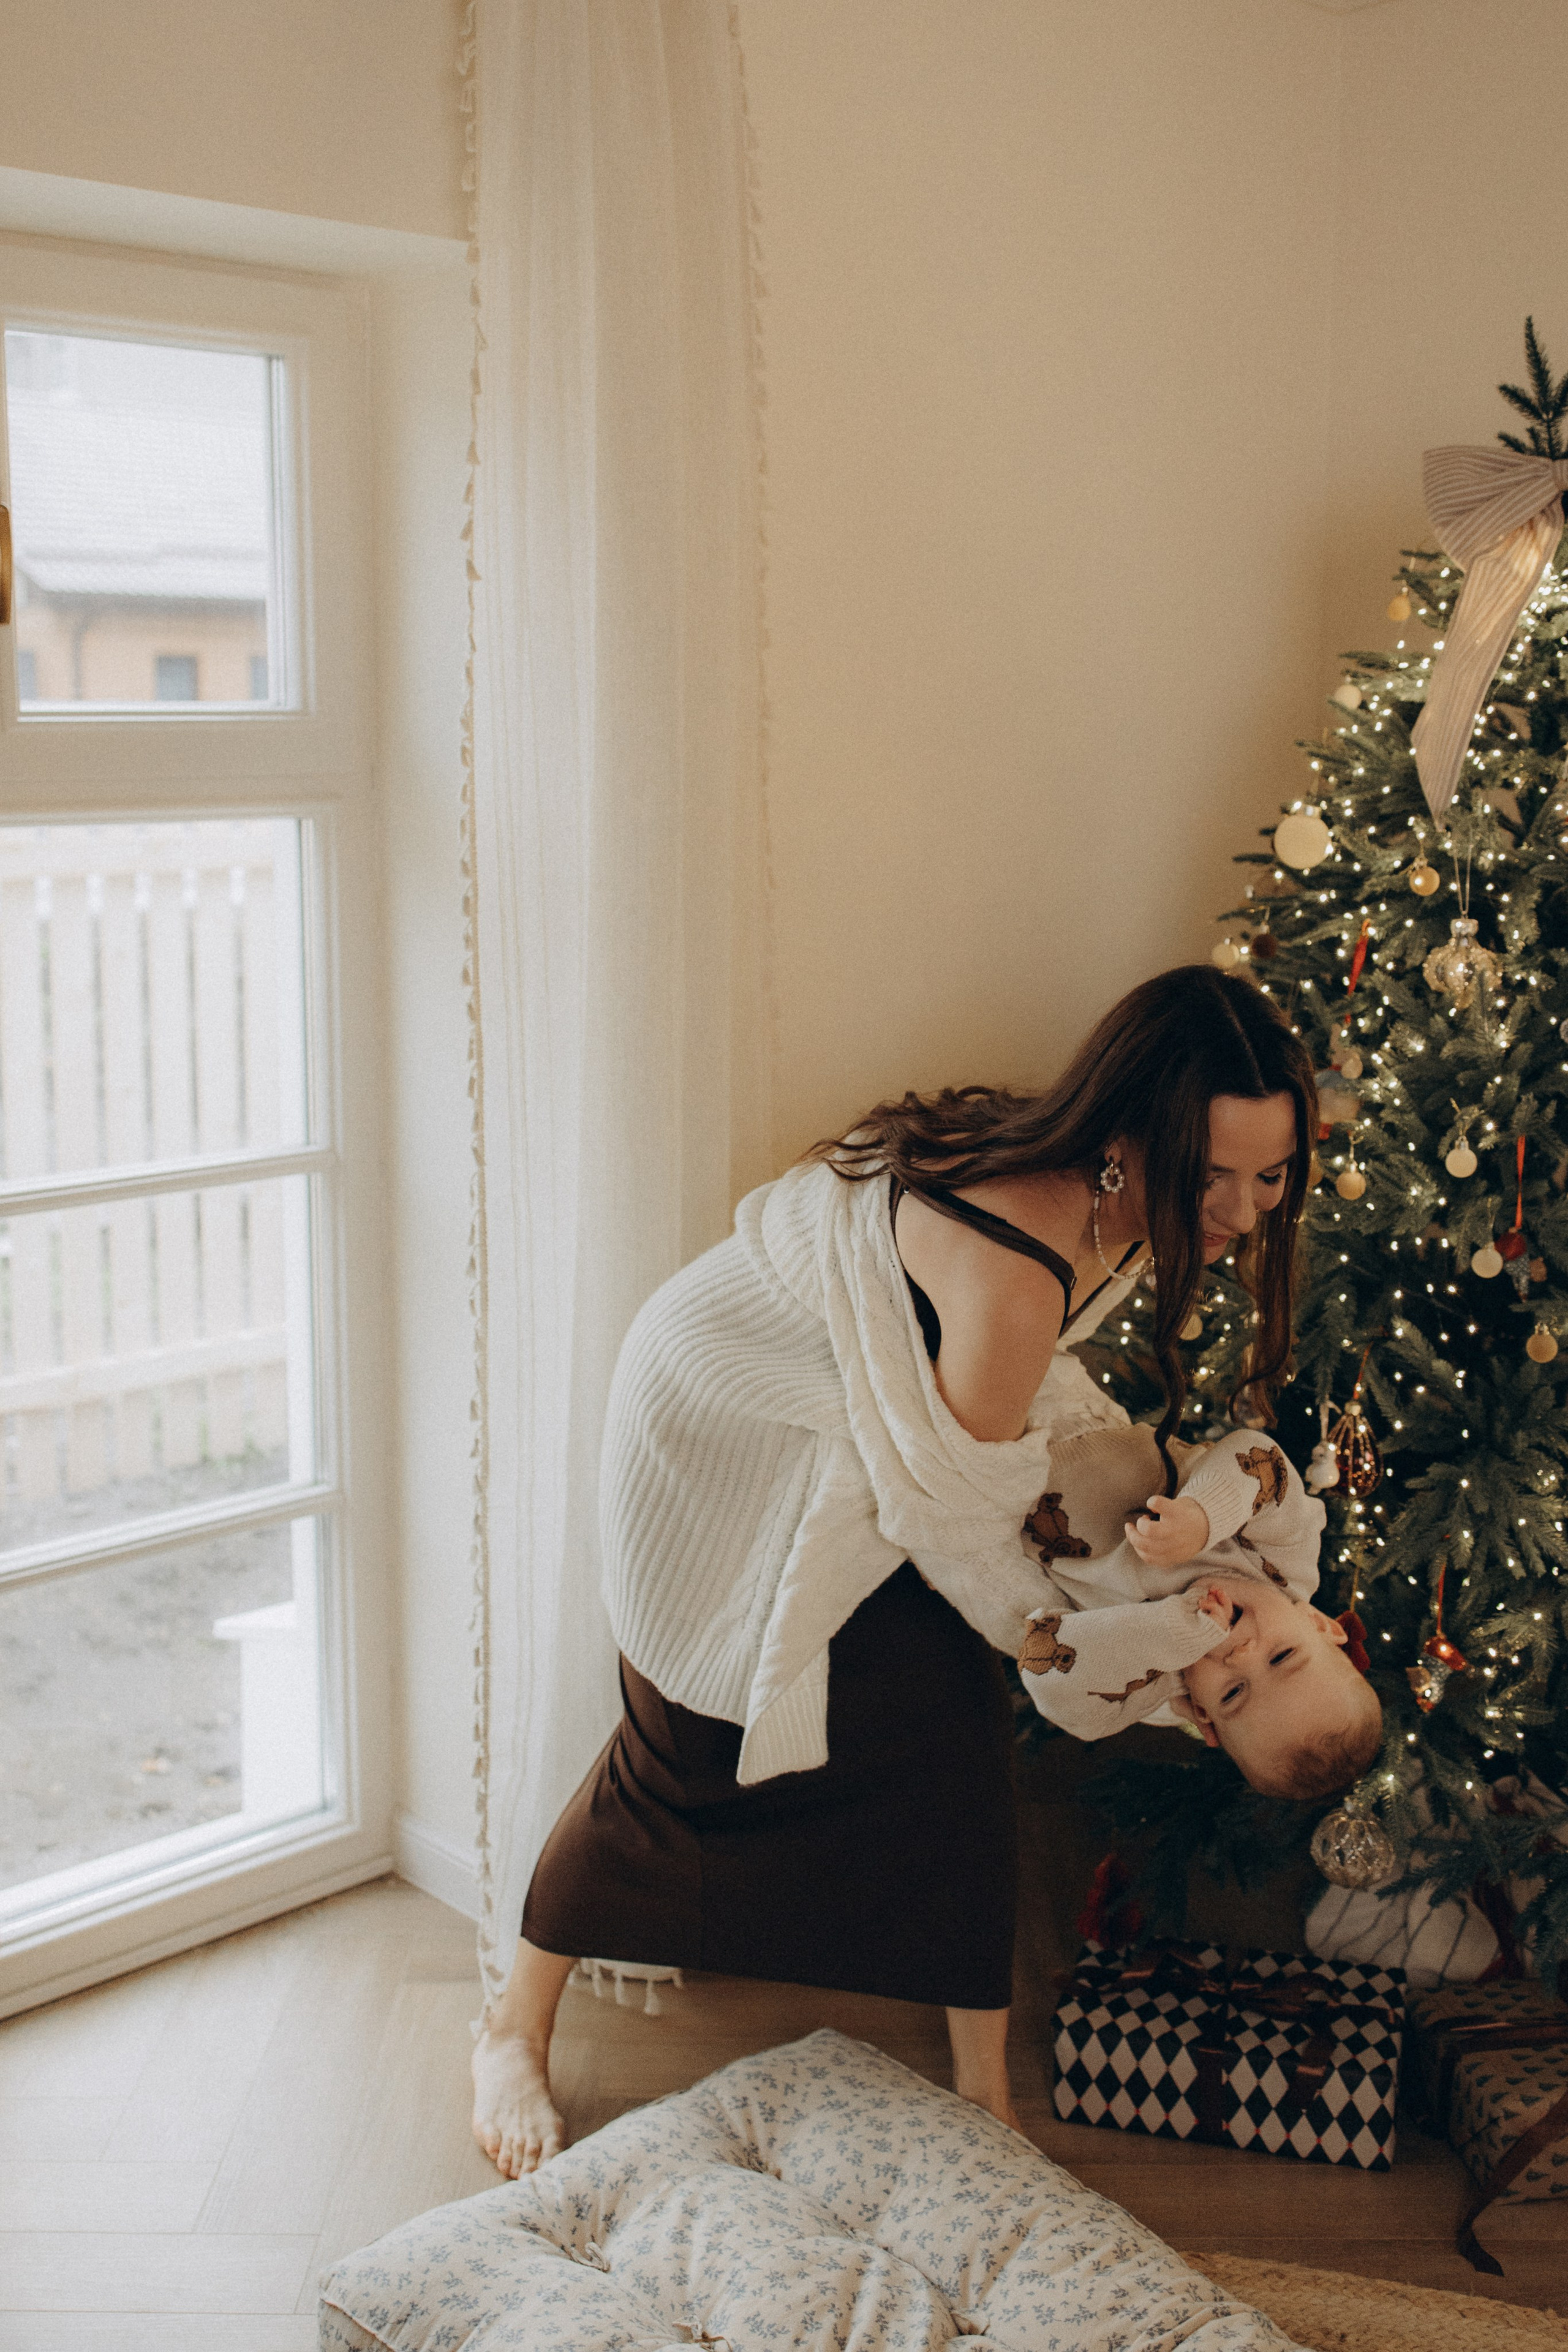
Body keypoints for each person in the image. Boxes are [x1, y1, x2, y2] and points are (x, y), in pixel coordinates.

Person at [472, 963, 1319, 2179]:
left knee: (952, 1745)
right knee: (682, 1754)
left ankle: (983, 2087)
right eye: (1213, 1175)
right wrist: (1092, 1659)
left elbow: (980, 1453)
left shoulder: (1106, 1193)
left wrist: (1145, 1615)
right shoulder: (1022, 1266)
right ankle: (512, 2026)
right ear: (1134, 1138)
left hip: (859, 1439)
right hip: (724, 1426)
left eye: (1271, 1175)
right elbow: (958, 1526)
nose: (1242, 1210)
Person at [1012, 1419, 1382, 1794]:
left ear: (1203, 1714)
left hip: (1011, 1485)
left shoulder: (1156, 1684)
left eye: (1233, 1693)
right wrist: (1203, 1518)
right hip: (1085, 1423)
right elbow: (1263, 1460)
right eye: (1281, 1656)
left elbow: (1047, 1675)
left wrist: (1173, 1633)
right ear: (1318, 1623)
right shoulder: (1285, 1568)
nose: (1241, 1655)